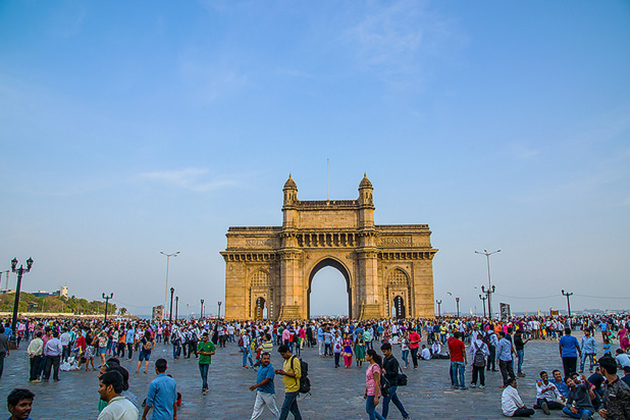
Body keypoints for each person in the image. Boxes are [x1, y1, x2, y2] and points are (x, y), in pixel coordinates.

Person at [380, 343, 410, 420]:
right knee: (395, 400)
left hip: (392, 383)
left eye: (385, 351)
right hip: (387, 383)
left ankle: (383, 418)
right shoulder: (385, 359)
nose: (384, 353)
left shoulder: (394, 361)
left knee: (385, 402)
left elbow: (395, 373)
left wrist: (386, 372)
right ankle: (405, 415)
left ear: (389, 350)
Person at [598, 356, 630, 420]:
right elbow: (604, 401)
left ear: (603, 369)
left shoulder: (622, 388)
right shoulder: (607, 384)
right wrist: (601, 409)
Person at [249, 352, 280, 420]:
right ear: (261, 360)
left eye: (268, 359)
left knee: (273, 410)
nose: (266, 360)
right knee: (256, 409)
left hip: (268, 393)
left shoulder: (270, 368)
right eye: (264, 359)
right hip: (260, 392)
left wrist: (256, 386)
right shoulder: (261, 366)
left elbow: (267, 380)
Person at [275, 345, 302, 420]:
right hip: (288, 388)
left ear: (287, 351)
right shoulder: (286, 360)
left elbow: (298, 374)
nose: (282, 356)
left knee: (285, 408)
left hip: (293, 388)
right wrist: (280, 372)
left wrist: (285, 373)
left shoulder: (294, 360)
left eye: (283, 354)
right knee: (294, 409)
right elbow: (287, 371)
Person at [364, 349, 386, 420]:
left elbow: (377, 381)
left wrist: (376, 397)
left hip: (374, 391)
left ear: (371, 356)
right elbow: (369, 380)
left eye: (367, 355)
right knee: (370, 410)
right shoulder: (370, 365)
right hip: (370, 390)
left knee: (370, 410)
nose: (365, 356)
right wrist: (366, 390)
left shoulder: (375, 367)